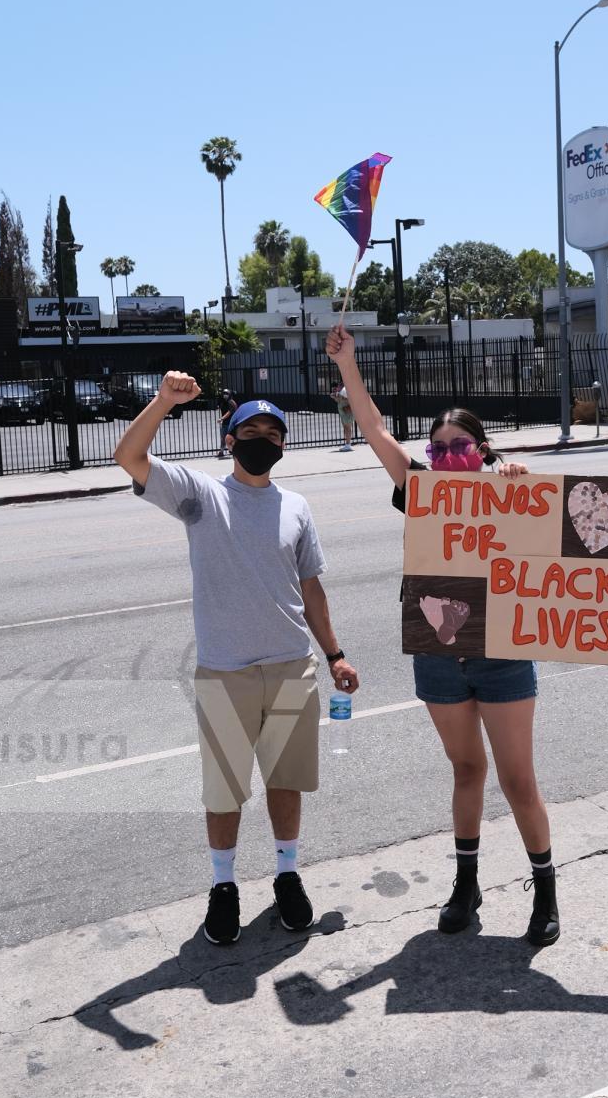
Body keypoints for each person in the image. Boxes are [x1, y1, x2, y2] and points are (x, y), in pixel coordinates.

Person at [326, 324, 561, 947]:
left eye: (461, 443)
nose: (449, 451)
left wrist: (520, 483)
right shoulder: (420, 491)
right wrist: (349, 363)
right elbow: (375, 427)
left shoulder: (508, 490)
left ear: (482, 449)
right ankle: (466, 883)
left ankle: (544, 889)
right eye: (439, 444)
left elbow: (552, 551)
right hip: (438, 655)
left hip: (502, 654)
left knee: (518, 780)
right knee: (465, 771)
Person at [113, 374, 359, 946]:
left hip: (292, 663)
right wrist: (164, 401)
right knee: (224, 789)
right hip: (225, 670)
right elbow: (128, 455)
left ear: (283, 446)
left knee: (287, 780)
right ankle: (223, 886)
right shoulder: (199, 494)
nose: (262, 440)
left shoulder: (296, 506)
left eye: (273, 433)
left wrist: (335, 654)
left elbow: (311, 589)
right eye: (251, 430)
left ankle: (287, 874)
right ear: (229, 439)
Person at [331, 383, 356, 451]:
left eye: (338, 387)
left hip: (347, 413)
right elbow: (333, 396)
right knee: (346, 428)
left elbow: (350, 400)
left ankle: (348, 445)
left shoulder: (345, 392)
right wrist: (336, 394)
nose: (337, 388)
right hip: (344, 414)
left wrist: (338, 395)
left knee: (347, 428)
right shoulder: (340, 394)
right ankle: (347, 444)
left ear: (341, 387)